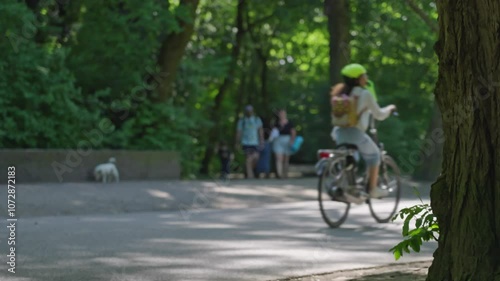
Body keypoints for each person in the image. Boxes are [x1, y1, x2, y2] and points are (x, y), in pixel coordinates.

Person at [331, 63, 397, 198]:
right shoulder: (364, 93)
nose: (366, 77)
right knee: (375, 156)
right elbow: (379, 114)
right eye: (364, 75)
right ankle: (372, 189)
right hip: (355, 134)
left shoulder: (340, 93)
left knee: (351, 159)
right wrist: (390, 109)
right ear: (358, 78)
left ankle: (346, 186)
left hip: (338, 133)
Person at [236, 105, 264, 179]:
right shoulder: (242, 121)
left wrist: (262, 141)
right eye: (248, 111)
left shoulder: (257, 120)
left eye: (250, 111)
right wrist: (237, 142)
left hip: (255, 142)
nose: (249, 112)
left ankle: (249, 171)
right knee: (248, 159)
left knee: (256, 157)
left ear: (253, 111)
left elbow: (260, 131)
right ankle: (250, 175)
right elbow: (239, 132)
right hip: (245, 142)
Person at [272, 109, 296, 179]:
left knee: (286, 159)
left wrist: (292, 141)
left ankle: (285, 174)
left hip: (287, 140)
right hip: (278, 140)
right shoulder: (276, 123)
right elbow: (274, 133)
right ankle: (279, 174)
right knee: (279, 158)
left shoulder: (290, 123)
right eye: (280, 114)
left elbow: (293, 132)